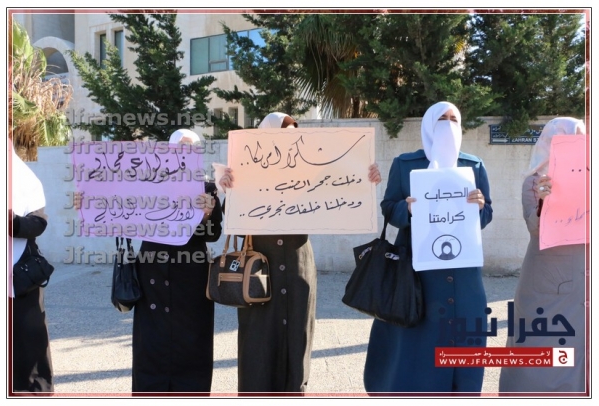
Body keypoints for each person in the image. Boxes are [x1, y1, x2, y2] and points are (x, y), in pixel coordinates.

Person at [218, 112, 381, 393]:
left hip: (298, 267)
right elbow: (235, 221)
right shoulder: (246, 171)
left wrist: (365, 179)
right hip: (259, 271)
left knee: (297, 339)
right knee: (258, 343)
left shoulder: (309, 171)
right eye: (283, 135)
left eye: (294, 135)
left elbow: (339, 192)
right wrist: (229, 189)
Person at [74, 129, 223, 393]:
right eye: (180, 147)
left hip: (191, 275)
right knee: (151, 340)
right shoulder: (147, 181)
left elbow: (212, 235)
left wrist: (206, 214)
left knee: (192, 339)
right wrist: (88, 203)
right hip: (152, 272)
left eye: (190, 148)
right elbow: (118, 207)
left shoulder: (207, 187)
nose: (184, 153)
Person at [363, 101, 493, 393]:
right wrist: (407, 209)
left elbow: (486, 216)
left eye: (453, 119)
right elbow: (388, 208)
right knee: (416, 345)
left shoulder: (473, 165)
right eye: (441, 119)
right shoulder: (405, 164)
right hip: (416, 272)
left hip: (463, 273)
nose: (448, 124)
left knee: (464, 341)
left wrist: (480, 206)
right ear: (428, 125)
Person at [498, 117, 587, 393]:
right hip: (546, 278)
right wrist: (544, 201)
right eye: (560, 137)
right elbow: (535, 228)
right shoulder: (534, 181)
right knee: (541, 342)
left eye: (576, 136)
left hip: (584, 273)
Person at [9, 140, 54, 393]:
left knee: (28, 341)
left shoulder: (26, 180)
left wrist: (13, 222)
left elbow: (39, 223)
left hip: (20, 276)